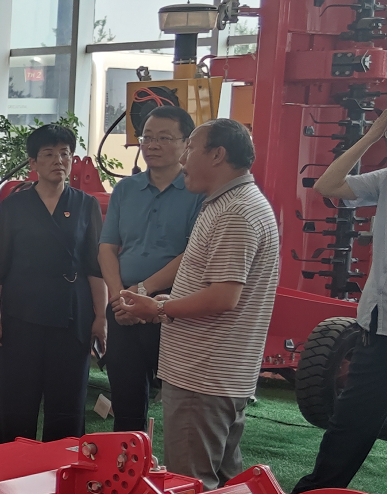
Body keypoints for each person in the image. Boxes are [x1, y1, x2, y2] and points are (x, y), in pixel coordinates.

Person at [118, 118, 279, 491]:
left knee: (192, 481)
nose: (183, 159)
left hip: (203, 376)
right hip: (215, 374)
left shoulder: (235, 211)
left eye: (190, 148)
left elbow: (224, 296)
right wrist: (169, 300)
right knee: (224, 482)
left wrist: (159, 310)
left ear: (218, 155)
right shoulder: (229, 203)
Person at [0, 124, 107, 444]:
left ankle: (63, 467)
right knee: (16, 404)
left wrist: (101, 316)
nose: (59, 160)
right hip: (20, 314)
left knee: (67, 405)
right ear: (33, 162)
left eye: (65, 153)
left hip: (72, 314)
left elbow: (94, 265)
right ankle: (11, 468)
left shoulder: (86, 204)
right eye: (49, 154)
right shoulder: (14, 205)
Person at [291, 111, 387, 493]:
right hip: (380, 327)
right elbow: (327, 185)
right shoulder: (385, 179)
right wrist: (371, 135)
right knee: (351, 426)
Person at [97, 105, 204, 433]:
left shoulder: (198, 192)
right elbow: (107, 248)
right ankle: (129, 462)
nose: (153, 145)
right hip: (123, 304)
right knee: (126, 401)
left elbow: (191, 254)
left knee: (180, 404)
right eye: (147, 137)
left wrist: (142, 291)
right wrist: (119, 296)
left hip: (171, 306)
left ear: (186, 143)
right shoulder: (125, 189)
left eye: (164, 138)